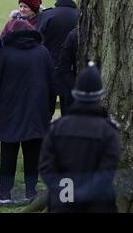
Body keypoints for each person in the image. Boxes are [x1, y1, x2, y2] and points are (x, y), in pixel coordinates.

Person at [0, 20, 55, 204]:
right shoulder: (43, 52)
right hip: (36, 111)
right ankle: (31, 191)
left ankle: (4, 192)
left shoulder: (5, 53)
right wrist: (48, 111)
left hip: (9, 111)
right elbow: (51, 84)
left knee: (8, 153)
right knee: (32, 154)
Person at [39, 62, 120, 213]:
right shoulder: (108, 131)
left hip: (63, 201)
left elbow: (47, 167)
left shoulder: (57, 128)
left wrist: (68, 192)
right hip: (97, 204)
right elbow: (107, 171)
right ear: (99, 98)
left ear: (75, 95)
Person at [39, 0, 79, 114]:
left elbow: (39, 43)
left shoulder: (46, 16)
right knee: (70, 117)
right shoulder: (81, 16)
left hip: (48, 72)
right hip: (73, 74)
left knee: (44, 116)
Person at [57, 27, 78, 111]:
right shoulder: (74, 35)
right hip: (75, 90)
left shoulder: (74, 35)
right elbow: (63, 67)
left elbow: (63, 66)